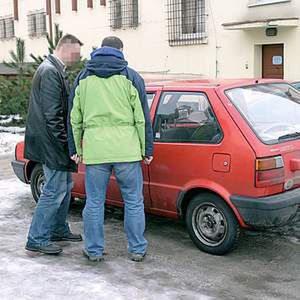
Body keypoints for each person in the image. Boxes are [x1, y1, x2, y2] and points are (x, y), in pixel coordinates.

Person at [68, 36, 154, 262]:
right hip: (127, 150)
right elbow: (142, 118)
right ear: (121, 50)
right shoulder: (131, 76)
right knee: (134, 201)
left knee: (94, 202)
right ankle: (136, 249)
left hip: (96, 153)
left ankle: (94, 250)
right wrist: (147, 149)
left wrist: (76, 149)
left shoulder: (83, 77)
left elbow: (74, 118)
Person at [24, 34, 83, 255]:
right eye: (76, 54)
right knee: (54, 190)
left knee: (65, 187)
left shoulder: (53, 69)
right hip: (51, 144)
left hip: (50, 142)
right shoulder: (50, 72)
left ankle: (58, 228)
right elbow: (53, 116)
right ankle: (37, 238)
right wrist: (67, 144)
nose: (77, 59)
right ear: (65, 49)